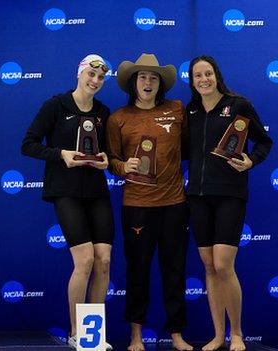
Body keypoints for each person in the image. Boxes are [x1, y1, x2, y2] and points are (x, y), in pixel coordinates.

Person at [22, 54, 113, 349]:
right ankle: (78, 334)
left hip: (97, 192)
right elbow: (29, 144)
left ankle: (93, 336)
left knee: (104, 262)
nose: (95, 81)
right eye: (91, 75)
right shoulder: (56, 105)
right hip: (65, 191)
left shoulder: (103, 111)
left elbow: (108, 153)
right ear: (80, 73)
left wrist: (105, 161)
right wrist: (61, 155)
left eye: (100, 78)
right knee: (85, 260)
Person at [105, 53, 192, 351]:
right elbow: (111, 160)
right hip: (137, 206)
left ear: (161, 84)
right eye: (142, 76)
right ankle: (136, 337)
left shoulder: (177, 110)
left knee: (175, 270)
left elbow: (193, 146)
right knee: (137, 271)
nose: (148, 82)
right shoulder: (118, 118)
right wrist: (122, 167)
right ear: (133, 82)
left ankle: (177, 334)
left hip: (174, 204)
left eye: (153, 77)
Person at [186, 56, 272, 351]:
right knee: (209, 266)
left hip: (229, 195)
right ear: (192, 81)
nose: (203, 79)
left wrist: (252, 160)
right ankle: (217, 335)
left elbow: (264, 142)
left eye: (207, 73)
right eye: (197, 76)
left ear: (216, 75)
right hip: (196, 197)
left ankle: (237, 334)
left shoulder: (239, 105)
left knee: (223, 265)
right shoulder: (191, 110)